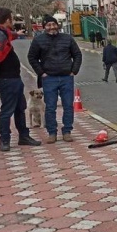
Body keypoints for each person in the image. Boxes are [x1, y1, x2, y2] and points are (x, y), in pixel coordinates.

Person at [0, 8, 42, 152]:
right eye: (12, 19)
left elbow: (9, 35)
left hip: (12, 77)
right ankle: (5, 139)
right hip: (6, 78)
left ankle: (23, 136)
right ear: (8, 20)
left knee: (20, 107)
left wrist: (16, 34)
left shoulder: (0, 32)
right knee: (8, 109)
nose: (12, 21)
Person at [27, 15, 82, 144]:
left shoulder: (67, 39)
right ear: (44, 27)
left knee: (68, 106)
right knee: (50, 107)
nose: (52, 27)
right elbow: (32, 57)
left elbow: (77, 54)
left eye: (54, 24)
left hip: (66, 77)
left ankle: (67, 131)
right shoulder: (38, 40)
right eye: (48, 25)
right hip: (49, 78)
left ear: (57, 25)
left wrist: (74, 70)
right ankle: (52, 132)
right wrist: (41, 73)